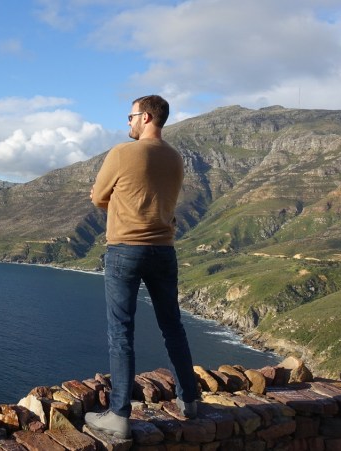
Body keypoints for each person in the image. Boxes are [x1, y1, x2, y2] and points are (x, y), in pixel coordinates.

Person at [85, 95, 199, 438]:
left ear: (147, 117)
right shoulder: (176, 158)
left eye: (131, 116)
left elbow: (97, 197)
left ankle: (118, 415)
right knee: (172, 326)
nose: (128, 122)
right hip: (164, 250)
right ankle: (190, 400)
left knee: (121, 332)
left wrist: (113, 199)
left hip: (126, 250)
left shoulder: (122, 153)